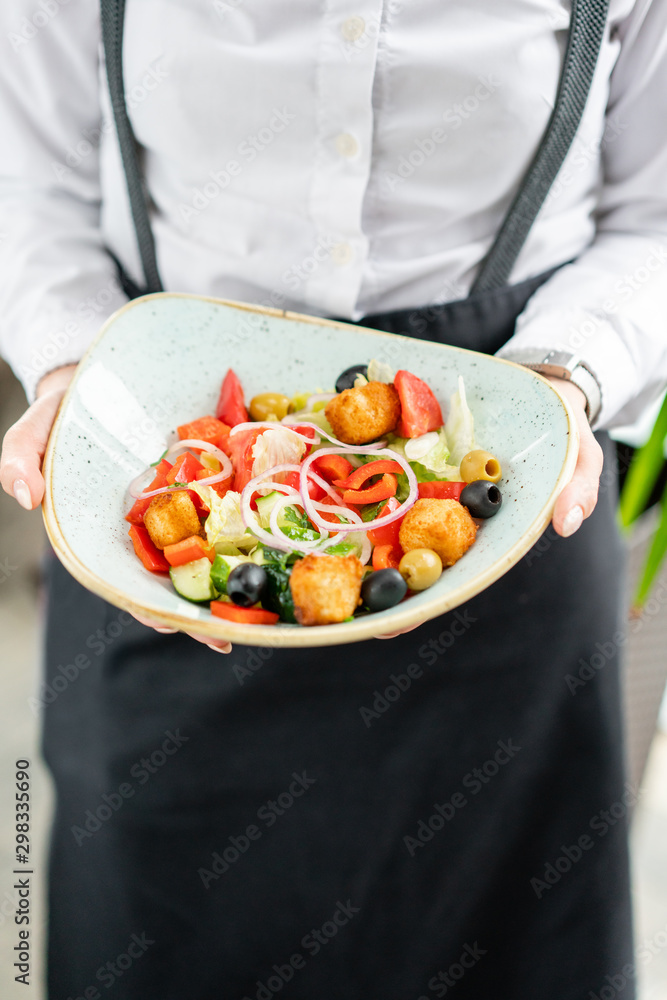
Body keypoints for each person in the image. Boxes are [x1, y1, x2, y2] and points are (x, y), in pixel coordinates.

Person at [1, 1, 666, 997]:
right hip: (165, 467)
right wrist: (70, 375)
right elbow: (27, 176)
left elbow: (655, 213)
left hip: (508, 495)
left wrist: (561, 380)